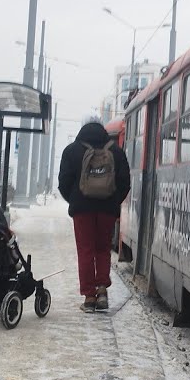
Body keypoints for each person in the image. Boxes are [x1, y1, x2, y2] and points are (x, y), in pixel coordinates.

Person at [58, 120, 131, 313]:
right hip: (107, 209)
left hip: (82, 210)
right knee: (103, 249)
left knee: (85, 250)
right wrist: (113, 200)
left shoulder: (72, 151)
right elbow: (125, 182)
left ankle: (89, 297)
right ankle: (102, 290)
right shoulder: (116, 151)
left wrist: (75, 199)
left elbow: (63, 182)